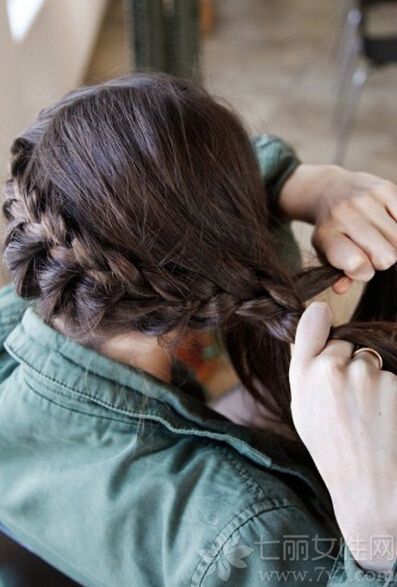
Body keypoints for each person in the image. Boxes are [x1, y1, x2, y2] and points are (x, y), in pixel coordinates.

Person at [0, 73, 396, 586]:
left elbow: (153, 200)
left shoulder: (21, 317)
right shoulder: (242, 530)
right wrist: (379, 541)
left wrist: (309, 183)